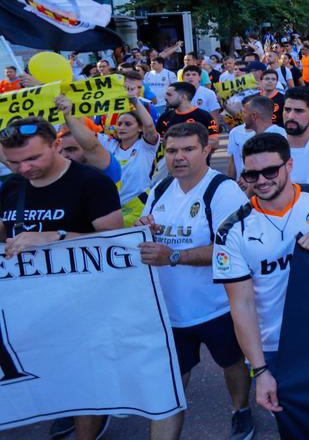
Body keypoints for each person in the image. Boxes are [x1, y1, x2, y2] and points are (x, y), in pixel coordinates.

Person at [214, 132, 309, 415]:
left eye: (270, 171)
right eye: (252, 174)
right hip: (277, 346)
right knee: (295, 422)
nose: (262, 180)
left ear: (289, 165)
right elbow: (241, 306)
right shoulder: (231, 230)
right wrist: (260, 370)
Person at [0, 117, 122, 440]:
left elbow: (119, 244)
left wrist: (57, 236)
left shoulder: (92, 184)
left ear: (56, 144)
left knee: (86, 381)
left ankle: (90, 425)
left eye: (33, 158)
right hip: (29, 308)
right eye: (14, 162)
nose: (24, 168)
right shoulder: (12, 186)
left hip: (84, 306)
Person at [136, 123, 253, 440]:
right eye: (172, 150)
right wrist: (144, 229)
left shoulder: (223, 190)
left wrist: (173, 256)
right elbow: (148, 241)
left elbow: (233, 248)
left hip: (217, 307)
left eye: (188, 149)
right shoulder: (160, 189)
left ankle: (241, 410)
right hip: (170, 311)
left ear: (206, 150)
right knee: (171, 385)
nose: (178, 157)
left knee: (232, 364)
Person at [226, 94, 286, 179]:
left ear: (254, 116)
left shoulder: (281, 137)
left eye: (245, 112)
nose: (243, 116)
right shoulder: (251, 138)